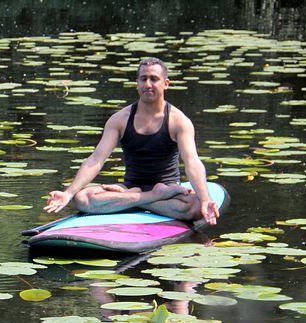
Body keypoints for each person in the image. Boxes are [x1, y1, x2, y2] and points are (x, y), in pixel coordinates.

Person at [43, 57, 220, 225]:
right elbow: (96, 159)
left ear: (165, 84)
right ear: (137, 84)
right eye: (143, 79)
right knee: (81, 199)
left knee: (196, 208)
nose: (148, 84)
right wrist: (68, 193)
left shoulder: (178, 121)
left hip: (166, 189)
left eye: (154, 79)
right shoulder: (120, 119)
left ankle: (128, 201)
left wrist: (205, 199)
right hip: (134, 188)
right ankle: (149, 197)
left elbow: (192, 162)